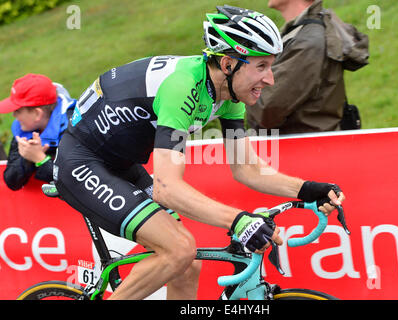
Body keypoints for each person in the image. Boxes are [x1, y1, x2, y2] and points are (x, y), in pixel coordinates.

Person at [53, 5, 345, 300]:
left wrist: (306, 189)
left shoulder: (228, 93)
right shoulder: (183, 87)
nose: (270, 78)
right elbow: (167, 188)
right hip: (82, 164)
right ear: (229, 64)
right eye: (261, 66)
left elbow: (247, 169)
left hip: (122, 165)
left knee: (186, 266)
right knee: (179, 250)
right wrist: (238, 220)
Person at [246, 0, 354, 133]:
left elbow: (266, 110)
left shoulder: (307, 42)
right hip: (306, 145)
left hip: (306, 148)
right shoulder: (301, 32)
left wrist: (237, 87)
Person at [0, 73, 76, 190]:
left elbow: (77, 183)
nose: (13, 114)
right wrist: (27, 156)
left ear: (37, 114)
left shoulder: (74, 129)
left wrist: (41, 159)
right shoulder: (23, 129)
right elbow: (12, 182)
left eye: (18, 110)